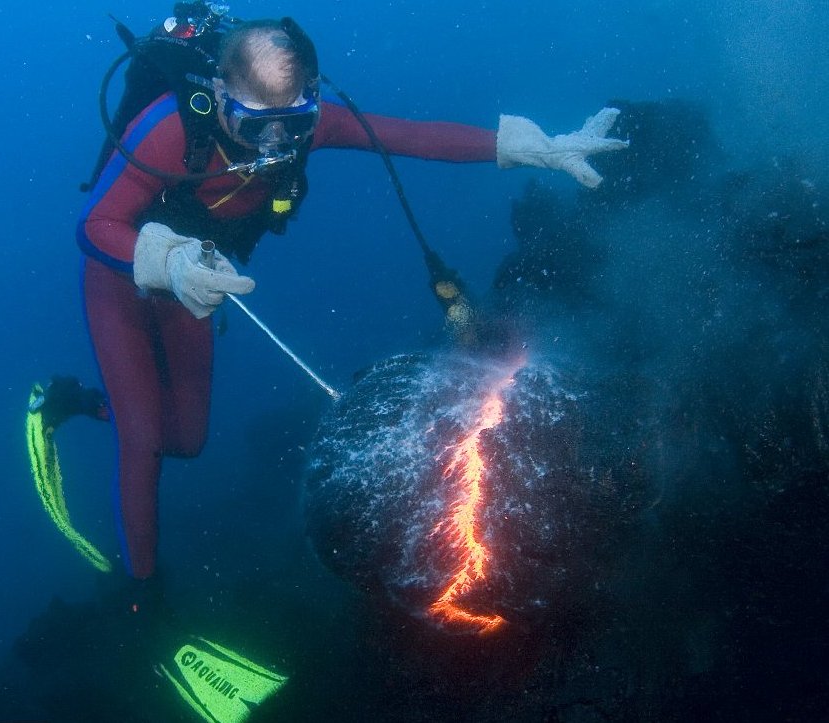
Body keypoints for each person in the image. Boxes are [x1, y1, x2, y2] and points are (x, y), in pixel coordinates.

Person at [77, 16, 627, 597]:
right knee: (143, 441)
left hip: (199, 283)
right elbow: (95, 226)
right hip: (124, 273)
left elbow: (411, 137)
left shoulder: (306, 129)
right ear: (219, 94)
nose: (275, 147)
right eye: (255, 126)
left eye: (291, 125)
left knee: (186, 440)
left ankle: (89, 402)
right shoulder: (169, 130)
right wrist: (166, 261)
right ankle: (142, 595)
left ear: (309, 103)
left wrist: (527, 146)